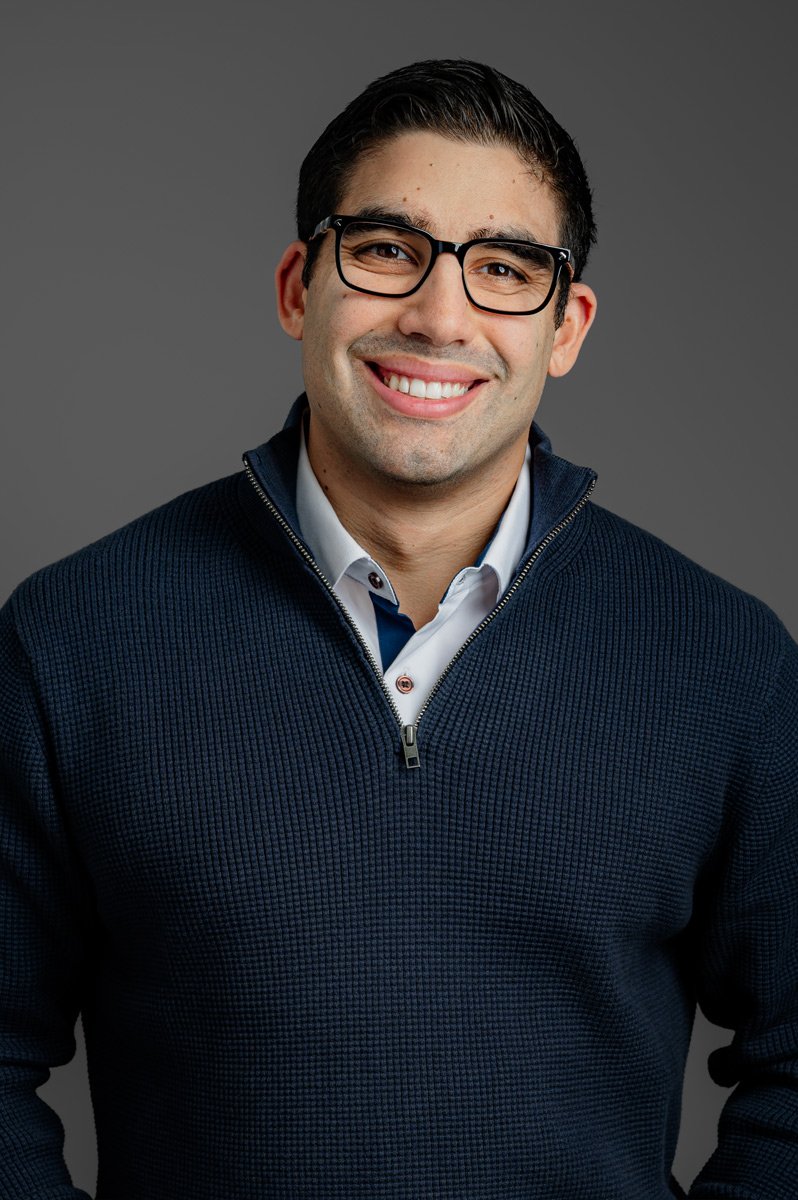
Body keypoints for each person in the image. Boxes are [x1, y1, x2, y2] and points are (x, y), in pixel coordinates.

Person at [0, 58, 795, 1200]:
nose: (438, 314)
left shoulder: (725, 662)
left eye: (505, 268)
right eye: (385, 249)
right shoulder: (74, 641)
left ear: (565, 327)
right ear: (296, 286)